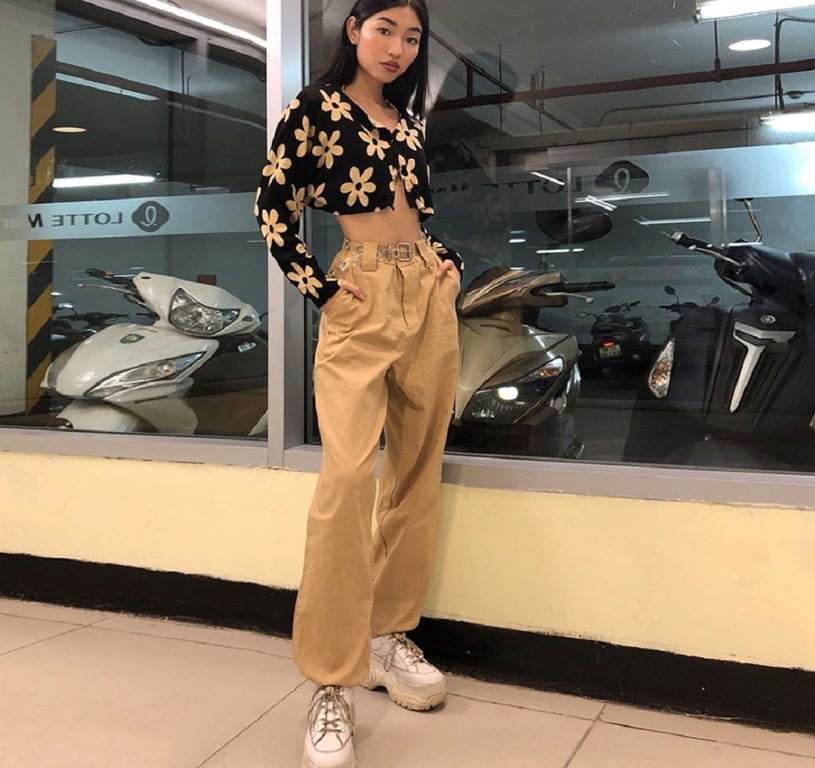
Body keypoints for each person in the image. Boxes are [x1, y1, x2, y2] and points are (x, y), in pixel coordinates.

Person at [253, 2, 463, 766]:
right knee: (346, 481)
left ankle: (385, 635)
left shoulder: (407, 121)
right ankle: (330, 680)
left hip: (425, 292)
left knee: (414, 473)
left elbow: (411, 214)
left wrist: (445, 262)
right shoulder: (314, 107)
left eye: (410, 37)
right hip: (361, 293)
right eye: (384, 30)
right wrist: (319, 287)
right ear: (352, 29)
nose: (397, 47)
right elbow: (272, 207)